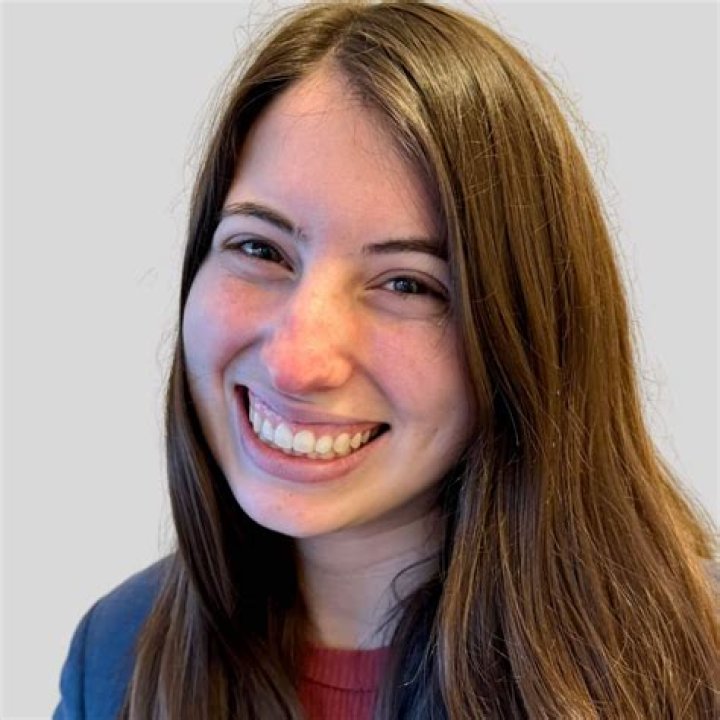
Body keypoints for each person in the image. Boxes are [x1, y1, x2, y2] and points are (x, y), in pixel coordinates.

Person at [52, 2, 719, 719]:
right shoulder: (113, 655)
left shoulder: (699, 660)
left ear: (525, 337)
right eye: (260, 249)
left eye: (407, 285)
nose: (296, 363)